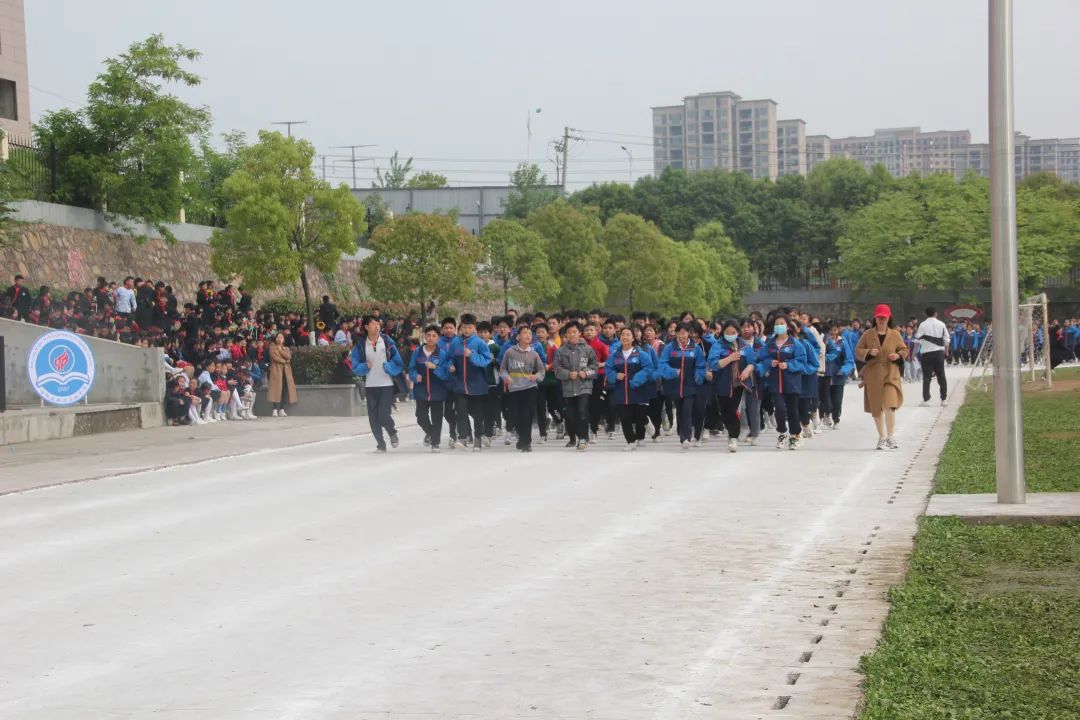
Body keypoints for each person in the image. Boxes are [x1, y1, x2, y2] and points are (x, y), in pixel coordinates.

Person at [855, 304, 909, 450]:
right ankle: (882, 437)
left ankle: (891, 437)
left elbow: (904, 350)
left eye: (884, 318)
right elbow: (858, 350)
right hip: (873, 374)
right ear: (875, 318)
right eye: (879, 317)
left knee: (889, 405)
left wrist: (897, 355)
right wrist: (867, 352)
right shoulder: (867, 334)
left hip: (891, 373)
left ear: (888, 318)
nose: (881, 320)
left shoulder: (895, 334)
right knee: (876, 407)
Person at [351, 316, 406, 452]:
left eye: (378, 324)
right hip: (370, 385)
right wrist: (364, 366)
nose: (377, 326)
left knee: (383, 415)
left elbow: (398, 362)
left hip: (386, 384)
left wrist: (389, 367)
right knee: (373, 418)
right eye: (373, 324)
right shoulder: (361, 344)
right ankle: (380, 444)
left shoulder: (387, 341)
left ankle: (392, 432)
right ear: (366, 327)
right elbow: (354, 364)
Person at [759, 314, 808, 451]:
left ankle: (794, 435)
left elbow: (802, 360)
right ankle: (782, 433)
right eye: (776, 323)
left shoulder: (795, 343)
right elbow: (762, 357)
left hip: (791, 382)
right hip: (775, 382)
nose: (779, 326)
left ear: (787, 326)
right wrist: (770, 362)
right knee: (779, 409)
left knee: (792, 410)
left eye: (781, 323)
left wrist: (789, 365)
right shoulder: (770, 343)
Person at [708, 320, 757, 452]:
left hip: (738, 383)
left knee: (733, 409)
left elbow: (752, 362)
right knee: (725, 411)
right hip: (722, 383)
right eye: (728, 333)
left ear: (738, 332)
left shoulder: (744, 346)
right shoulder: (718, 346)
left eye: (733, 332)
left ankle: (733, 437)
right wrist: (729, 358)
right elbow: (713, 364)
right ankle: (732, 431)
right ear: (723, 333)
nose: (731, 335)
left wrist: (747, 370)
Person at [446, 313, 493, 451]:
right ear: (460, 328)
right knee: (461, 411)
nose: (466, 330)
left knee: (477, 413)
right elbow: (449, 358)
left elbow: (486, 360)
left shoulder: (479, 342)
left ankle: (478, 438)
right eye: (464, 327)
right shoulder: (455, 343)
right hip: (460, 385)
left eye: (469, 327)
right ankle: (463, 438)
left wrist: (472, 355)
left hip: (477, 385)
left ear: (474, 328)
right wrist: (450, 366)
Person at [604, 326, 656, 451]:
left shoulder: (641, 354)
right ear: (619, 338)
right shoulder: (615, 355)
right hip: (621, 391)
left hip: (638, 390)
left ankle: (641, 433)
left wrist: (637, 379)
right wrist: (615, 375)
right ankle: (630, 441)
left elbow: (648, 368)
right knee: (625, 417)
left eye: (628, 334)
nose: (625, 337)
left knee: (638, 416)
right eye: (623, 335)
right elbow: (608, 369)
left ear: (633, 338)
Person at [658, 323, 707, 450]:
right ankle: (681, 432)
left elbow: (701, 365)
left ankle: (686, 437)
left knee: (687, 410)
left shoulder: (695, 349)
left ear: (689, 333)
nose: (682, 335)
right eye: (679, 332)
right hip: (674, 385)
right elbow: (662, 364)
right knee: (680, 410)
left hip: (690, 386)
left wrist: (698, 376)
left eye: (684, 332)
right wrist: (673, 372)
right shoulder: (669, 348)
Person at [498, 325, 545, 452]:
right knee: (516, 416)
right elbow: (502, 369)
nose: (528, 335)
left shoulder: (534, 354)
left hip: (530, 388)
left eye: (530, 333)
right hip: (514, 389)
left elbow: (541, 371)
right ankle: (521, 439)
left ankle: (527, 442)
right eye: (525, 333)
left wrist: (536, 376)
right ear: (518, 337)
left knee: (527, 415)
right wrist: (506, 377)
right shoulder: (510, 352)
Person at [554, 321, 598, 450]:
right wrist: (568, 374)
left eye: (574, 332)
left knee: (582, 411)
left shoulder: (588, 349)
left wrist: (586, 373)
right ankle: (573, 437)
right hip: (568, 388)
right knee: (570, 416)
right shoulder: (561, 351)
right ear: (566, 334)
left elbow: (595, 368)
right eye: (569, 332)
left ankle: (583, 438)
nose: (572, 335)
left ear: (580, 333)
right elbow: (557, 369)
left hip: (584, 387)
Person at [408, 325, 449, 452]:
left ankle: (435, 443)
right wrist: (415, 376)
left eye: (434, 336)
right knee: (420, 416)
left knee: (437, 417)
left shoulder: (442, 354)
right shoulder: (417, 352)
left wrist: (435, 368)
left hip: (437, 390)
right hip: (421, 390)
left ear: (438, 338)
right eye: (428, 335)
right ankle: (431, 433)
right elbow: (411, 368)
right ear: (424, 337)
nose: (430, 338)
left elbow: (446, 373)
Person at [915, 306, 949, 406]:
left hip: (926, 354)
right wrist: (946, 352)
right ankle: (944, 399)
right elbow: (946, 340)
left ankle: (926, 400)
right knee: (941, 376)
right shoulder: (941, 324)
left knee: (927, 377)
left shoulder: (922, 324)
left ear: (926, 314)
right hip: (939, 353)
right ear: (936, 313)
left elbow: (919, 340)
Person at [267, 332, 297, 417]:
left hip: (286, 372)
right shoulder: (272, 347)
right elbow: (274, 357)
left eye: (281, 337)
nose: (279, 338)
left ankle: (282, 409)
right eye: (278, 337)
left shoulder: (286, 348)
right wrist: (284, 361)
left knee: (284, 390)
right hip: (276, 371)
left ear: (283, 340)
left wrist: (280, 351)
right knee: (276, 390)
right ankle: (274, 409)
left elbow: (289, 357)